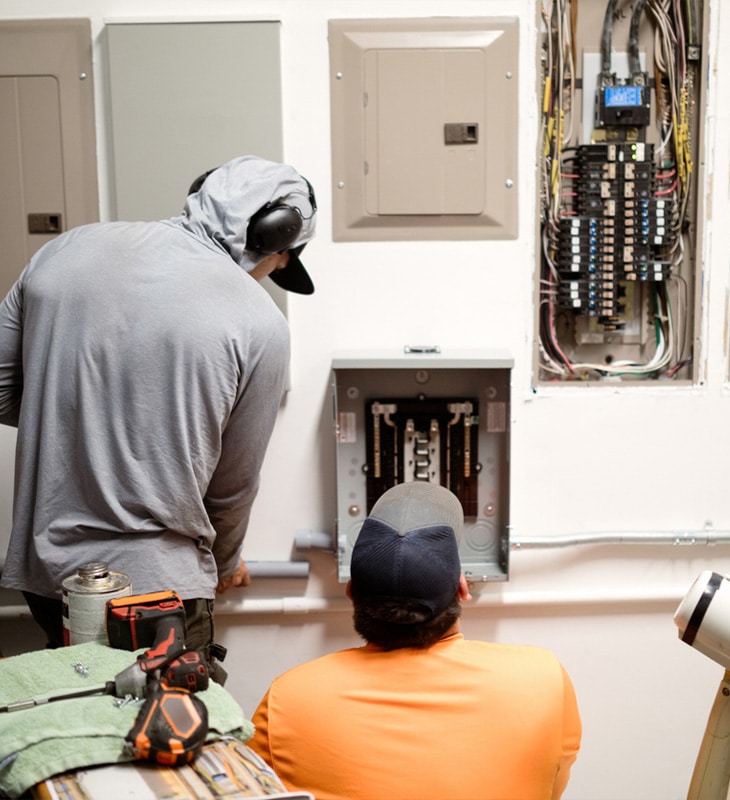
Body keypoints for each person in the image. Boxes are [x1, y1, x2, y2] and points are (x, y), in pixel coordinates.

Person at [0, 155, 317, 669]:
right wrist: (225, 564)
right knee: (166, 734)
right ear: (272, 235)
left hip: (47, 576)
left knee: (74, 724)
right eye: (278, 263)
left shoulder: (64, 251)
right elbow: (233, 486)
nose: (269, 275)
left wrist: (81, 419)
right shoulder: (261, 322)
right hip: (157, 591)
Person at [248, 481, 582, 800]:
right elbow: (550, 785)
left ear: (352, 593)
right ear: (462, 588)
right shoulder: (544, 678)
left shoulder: (287, 699)